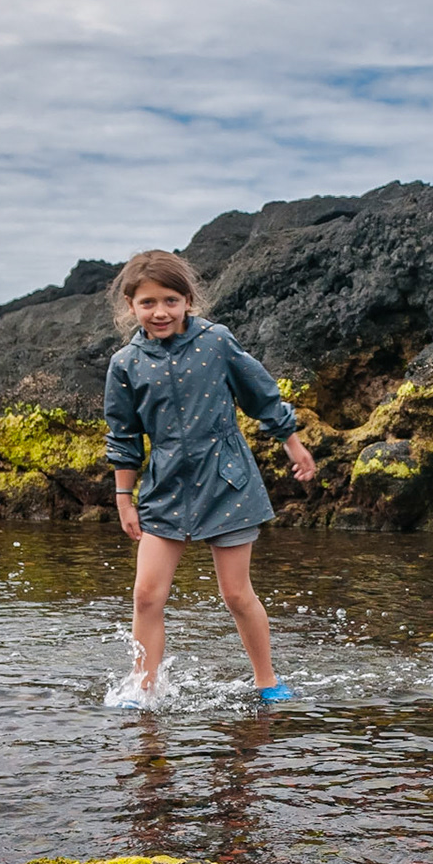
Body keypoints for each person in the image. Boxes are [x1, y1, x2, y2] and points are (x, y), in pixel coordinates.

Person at [103, 250, 316, 706]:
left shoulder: (216, 342)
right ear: (130, 306)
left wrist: (293, 444)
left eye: (171, 300)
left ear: (187, 300)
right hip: (165, 486)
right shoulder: (125, 364)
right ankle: (144, 688)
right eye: (147, 303)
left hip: (227, 480)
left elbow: (261, 395)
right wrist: (124, 498)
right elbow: (122, 437)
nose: (160, 312)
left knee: (237, 594)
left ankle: (267, 682)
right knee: (145, 595)